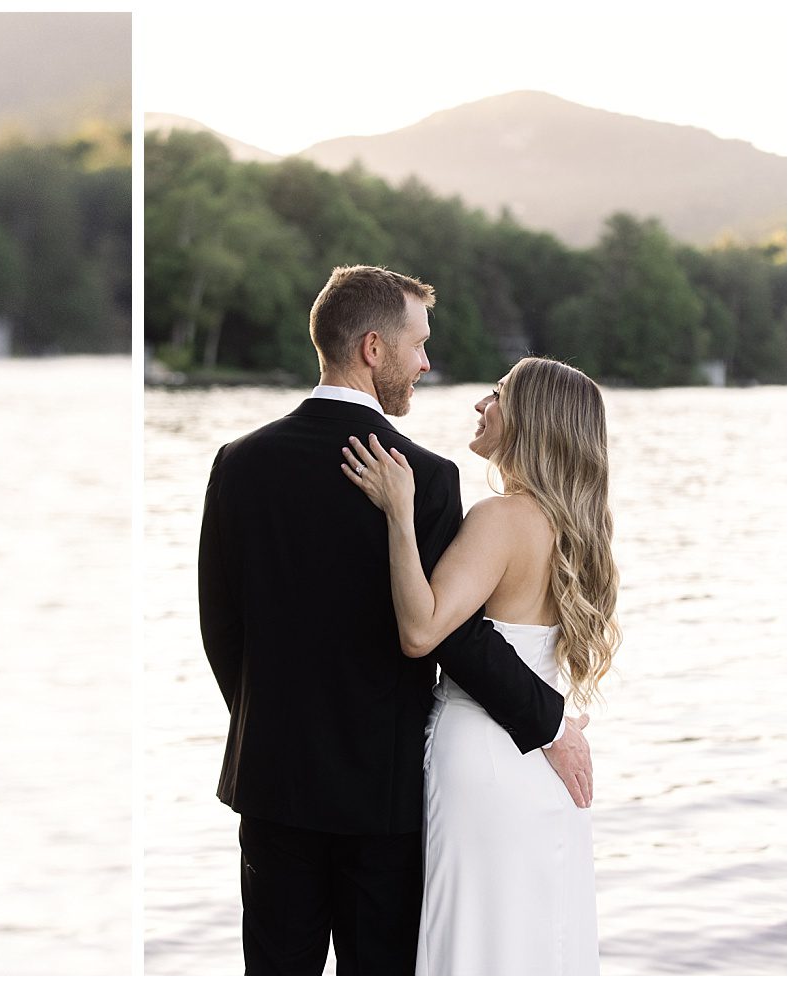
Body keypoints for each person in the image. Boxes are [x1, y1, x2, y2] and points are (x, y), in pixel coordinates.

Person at [195, 265, 592, 974]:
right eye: (418, 345)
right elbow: (457, 638)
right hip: (385, 796)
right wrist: (549, 724)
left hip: (274, 783)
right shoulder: (427, 475)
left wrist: (275, 724)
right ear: (374, 349)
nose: (426, 364)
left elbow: (220, 626)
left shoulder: (240, 462)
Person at [340, 355, 616, 974]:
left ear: (531, 419)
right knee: (538, 940)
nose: (480, 406)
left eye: (496, 395)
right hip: (540, 767)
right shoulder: (575, 527)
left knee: (476, 939)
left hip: (485, 759)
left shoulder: (503, 519)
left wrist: (399, 515)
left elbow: (420, 630)